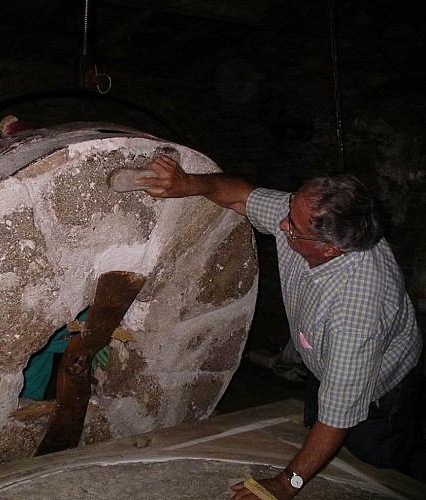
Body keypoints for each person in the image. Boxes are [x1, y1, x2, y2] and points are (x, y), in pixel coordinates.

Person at [136, 156, 422, 499]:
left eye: (292, 227)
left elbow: (337, 416)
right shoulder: (308, 217)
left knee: (372, 460)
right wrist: (188, 183)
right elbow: (242, 196)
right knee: (319, 421)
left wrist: (286, 484)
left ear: (328, 250)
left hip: (383, 386)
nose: (281, 223)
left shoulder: (357, 313)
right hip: (325, 357)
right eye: (289, 210)